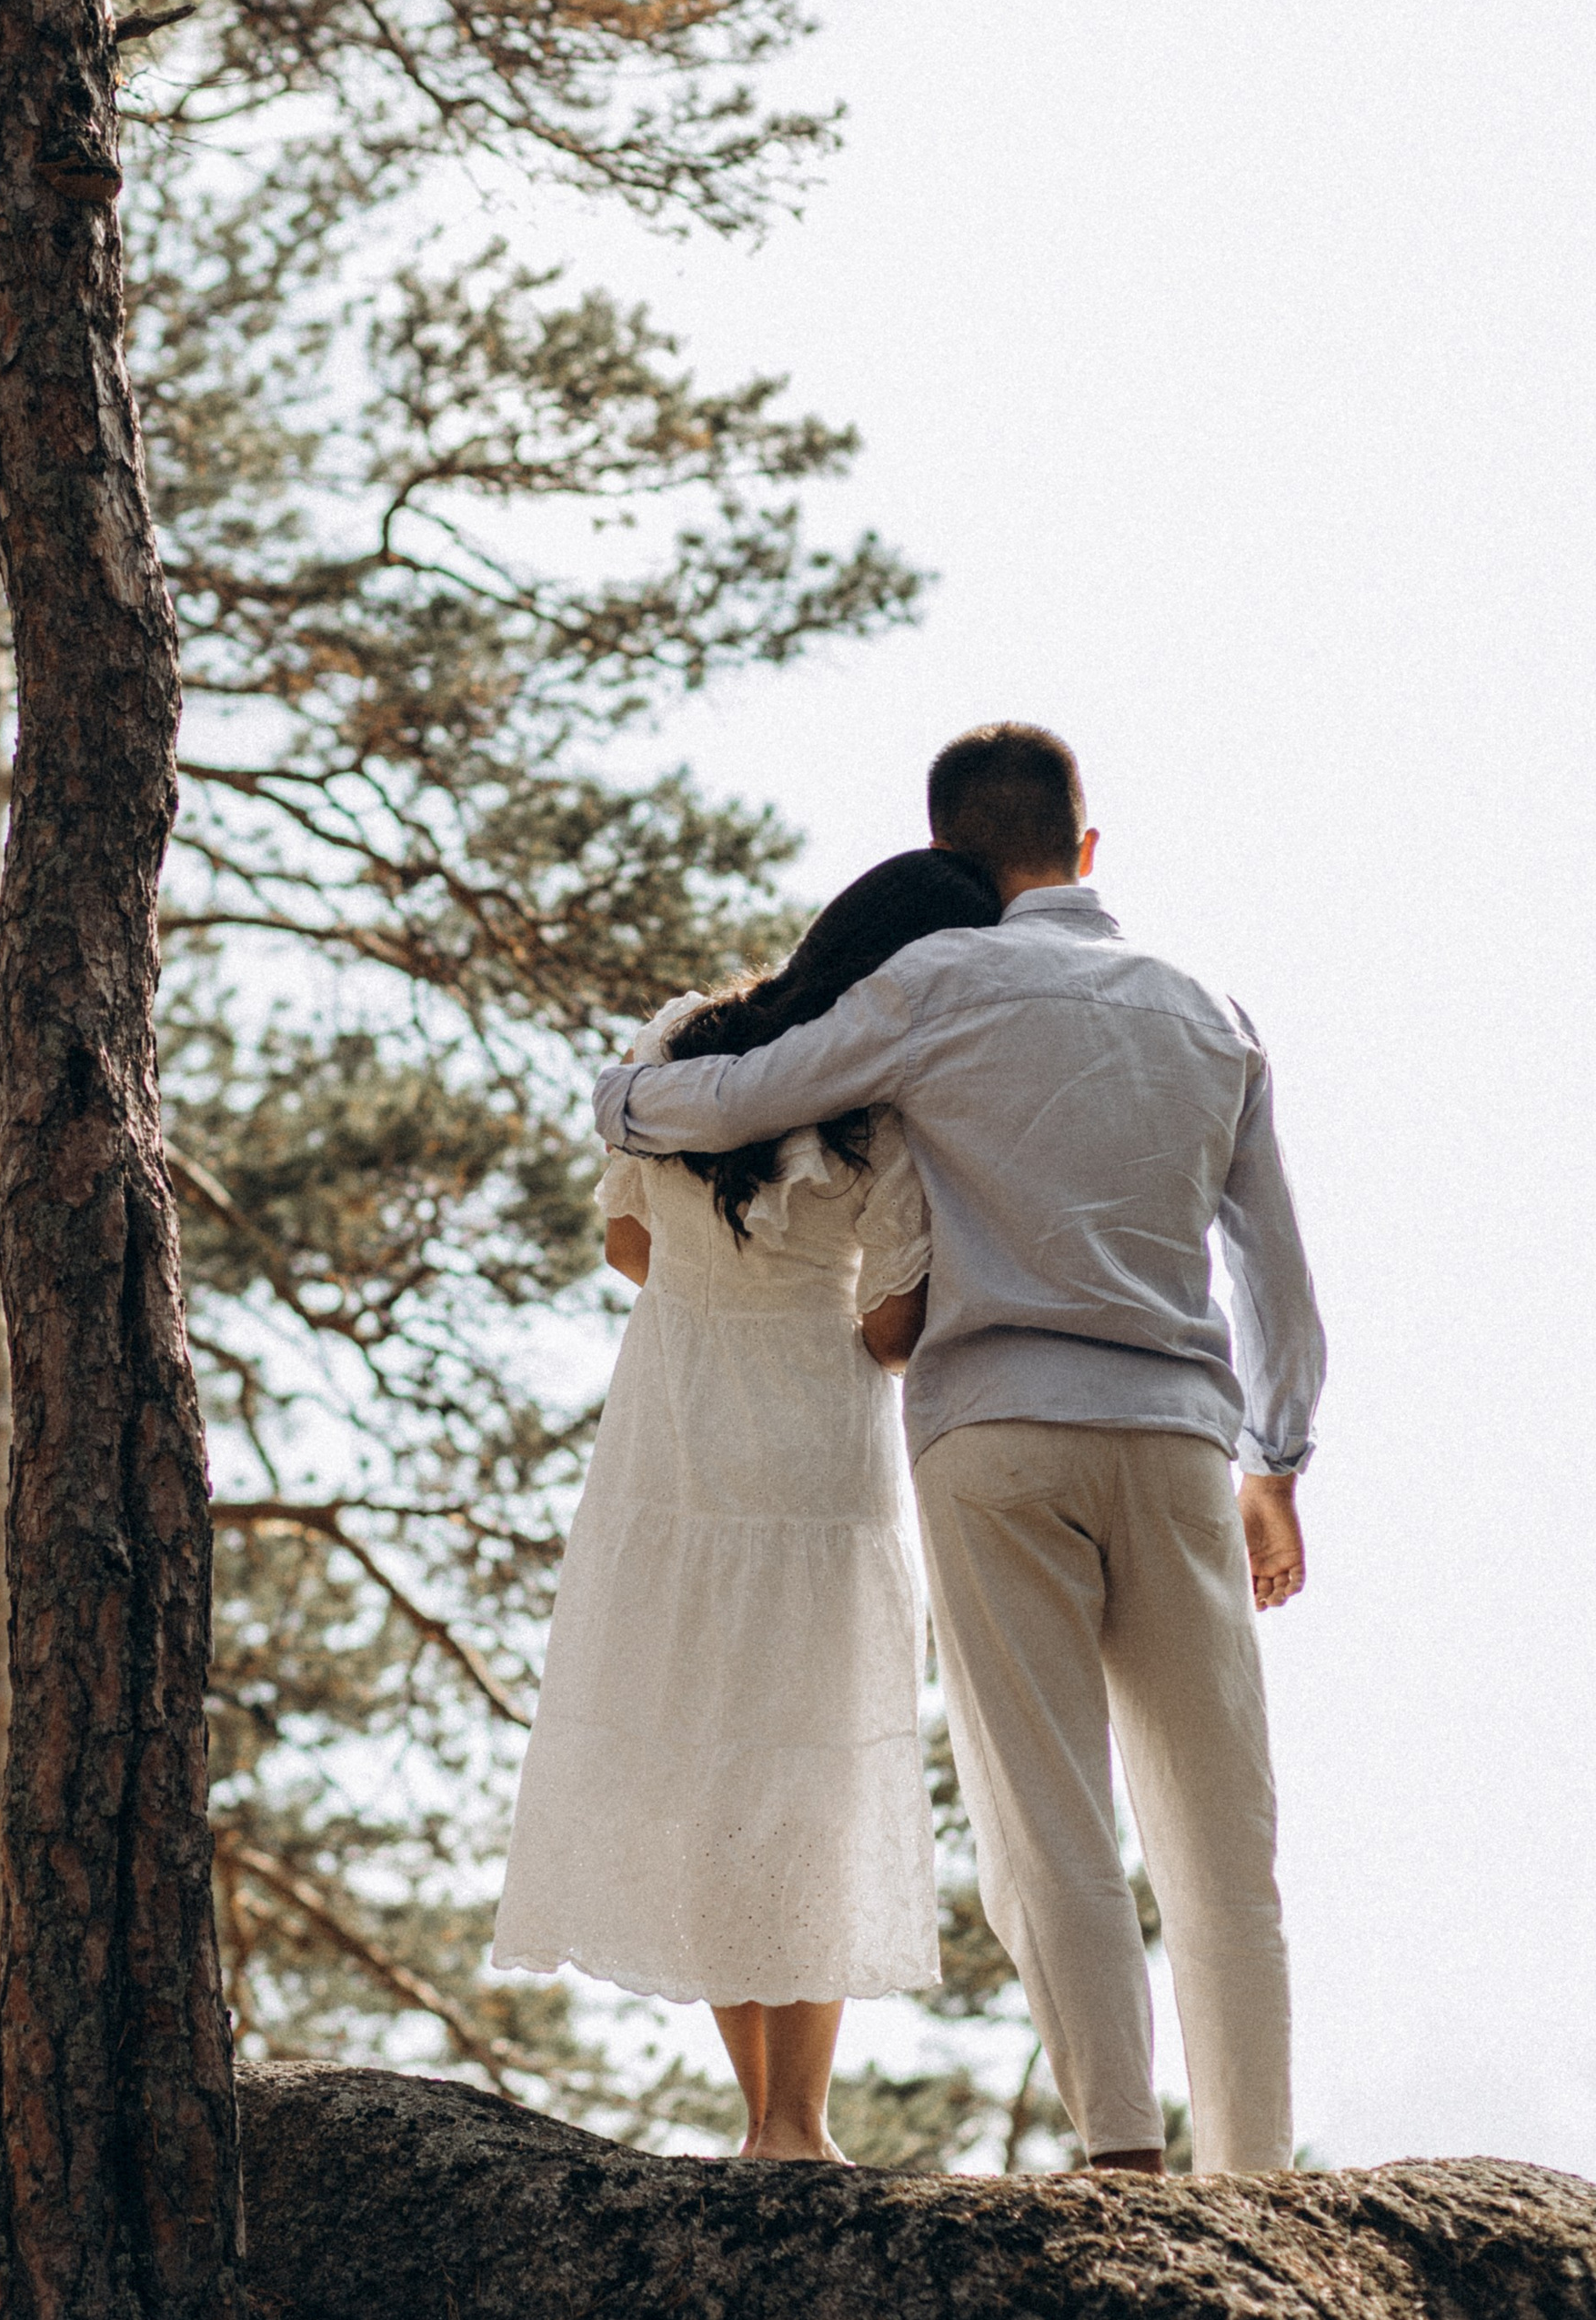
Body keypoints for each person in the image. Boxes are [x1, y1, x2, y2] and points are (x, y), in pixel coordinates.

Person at [593, 726, 1325, 2178]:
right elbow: (1278, 1277)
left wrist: (621, 1100)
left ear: (946, 851)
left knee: (1050, 1818)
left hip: (993, 1432)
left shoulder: (931, 985)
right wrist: (1278, 1465)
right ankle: (1257, 2178)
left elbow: (741, 1099)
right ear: (1085, 847)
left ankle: (1121, 2157)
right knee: (1222, 1837)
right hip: (1177, 1436)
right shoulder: (1211, 1013)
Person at [491, 849, 1001, 2160]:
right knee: (808, 1772)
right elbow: (891, 1326)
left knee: (707, 1758)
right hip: (819, 1449)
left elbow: (625, 1239)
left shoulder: (680, 1042)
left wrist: (710, 1296)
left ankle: (757, 2114)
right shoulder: (883, 1098)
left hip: (672, 1431)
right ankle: (799, 2121)